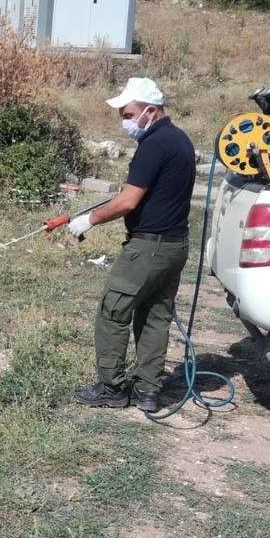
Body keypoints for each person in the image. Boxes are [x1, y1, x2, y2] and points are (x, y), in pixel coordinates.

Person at [65, 77, 197, 413]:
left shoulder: (153, 145)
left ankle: (112, 388)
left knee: (113, 312)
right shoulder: (180, 140)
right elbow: (144, 192)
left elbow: (129, 202)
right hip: (175, 246)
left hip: (147, 248)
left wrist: (87, 221)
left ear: (150, 111)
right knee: (154, 316)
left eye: (128, 114)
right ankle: (148, 392)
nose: (125, 121)